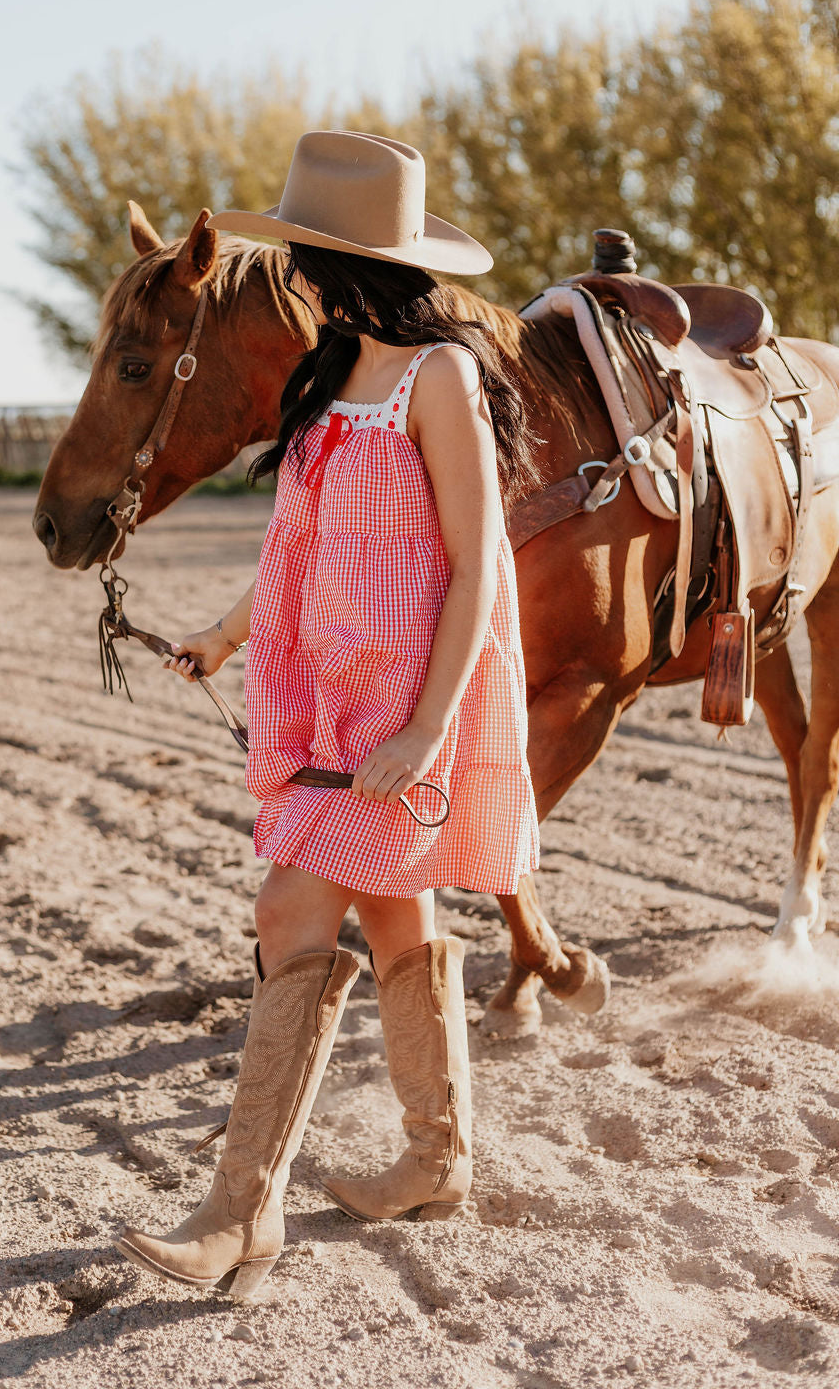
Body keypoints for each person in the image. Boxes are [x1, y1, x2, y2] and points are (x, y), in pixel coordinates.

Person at [117, 130, 540, 1300]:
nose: (291, 269)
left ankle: (236, 1217)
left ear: (352, 260)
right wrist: (223, 630)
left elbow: (476, 568)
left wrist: (421, 731)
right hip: (327, 695)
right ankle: (435, 1158)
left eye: (304, 250)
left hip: (406, 704)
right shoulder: (327, 377)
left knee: (288, 903)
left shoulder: (436, 376)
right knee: (396, 920)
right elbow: (301, 543)